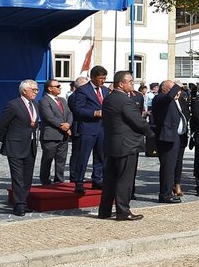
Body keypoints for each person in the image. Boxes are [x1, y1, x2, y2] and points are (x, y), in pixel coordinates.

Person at [97, 70, 149, 221]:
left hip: (113, 143)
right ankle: (123, 211)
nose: (132, 84)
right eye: (130, 81)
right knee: (124, 179)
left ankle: (104, 210)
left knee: (110, 179)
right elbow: (138, 121)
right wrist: (149, 132)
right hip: (127, 144)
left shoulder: (109, 98)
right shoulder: (125, 101)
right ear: (121, 84)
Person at [0, 79, 41, 216]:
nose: (36, 92)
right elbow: (2, 125)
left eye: (37, 90)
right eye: (33, 90)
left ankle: (24, 201)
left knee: (27, 176)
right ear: (24, 90)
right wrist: (6, 140)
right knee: (17, 177)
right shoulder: (13, 105)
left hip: (30, 145)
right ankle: (18, 204)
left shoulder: (35, 105)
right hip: (15, 145)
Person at [70, 66, 109, 194]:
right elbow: (78, 109)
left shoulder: (105, 90)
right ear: (93, 77)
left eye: (104, 78)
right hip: (87, 128)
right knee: (83, 156)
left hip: (102, 128)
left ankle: (97, 179)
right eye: (100, 78)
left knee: (100, 156)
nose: (103, 81)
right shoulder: (83, 90)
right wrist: (94, 113)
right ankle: (79, 181)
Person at [152, 81, 187, 203]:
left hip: (174, 136)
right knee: (168, 167)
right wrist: (178, 85)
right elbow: (167, 99)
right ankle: (165, 194)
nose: (177, 91)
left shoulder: (173, 100)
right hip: (166, 138)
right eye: (173, 88)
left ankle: (168, 191)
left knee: (172, 167)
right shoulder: (159, 98)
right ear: (165, 89)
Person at [38, 78, 72, 185]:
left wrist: (68, 124)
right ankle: (45, 180)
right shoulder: (44, 101)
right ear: (49, 88)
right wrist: (63, 126)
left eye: (59, 86)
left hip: (63, 136)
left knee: (61, 160)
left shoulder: (62, 100)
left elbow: (69, 113)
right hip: (51, 135)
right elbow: (49, 117)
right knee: (48, 159)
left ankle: (59, 180)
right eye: (57, 86)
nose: (60, 87)